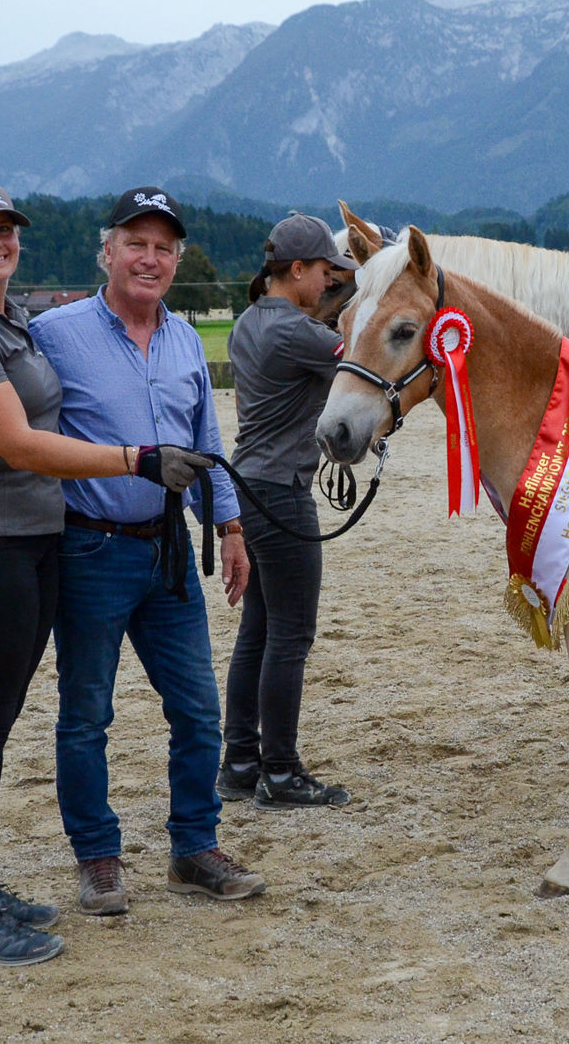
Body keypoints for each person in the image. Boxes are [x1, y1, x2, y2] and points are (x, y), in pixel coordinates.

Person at [0, 176, 210, 967]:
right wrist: (136, 459)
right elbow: (16, 444)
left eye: (4, 229)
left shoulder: (3, 318)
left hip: (25, 540)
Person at [27, 187, 265, 917]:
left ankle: (194, 847)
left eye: (164, 247)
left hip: (167, 553)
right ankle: (97, 859)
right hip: (89, 552)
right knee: (86, 714)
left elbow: (207, 445)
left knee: (197, 711)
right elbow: (19, 434)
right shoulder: (54, 333)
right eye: (136, 243)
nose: (150, 258)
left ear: (177, 260)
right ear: (107, 251)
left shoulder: (187, 340)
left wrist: (230, 528)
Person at [217, 213, 358, 809]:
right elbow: (363, 353)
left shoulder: (250, 321)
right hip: (281, 493)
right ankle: (281, 769)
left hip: (249, 483)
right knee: (291, 635)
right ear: (296, 270)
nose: (329, 283)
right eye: (324, 272)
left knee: (259, 630)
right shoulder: (297, 332)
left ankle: (241, 759)